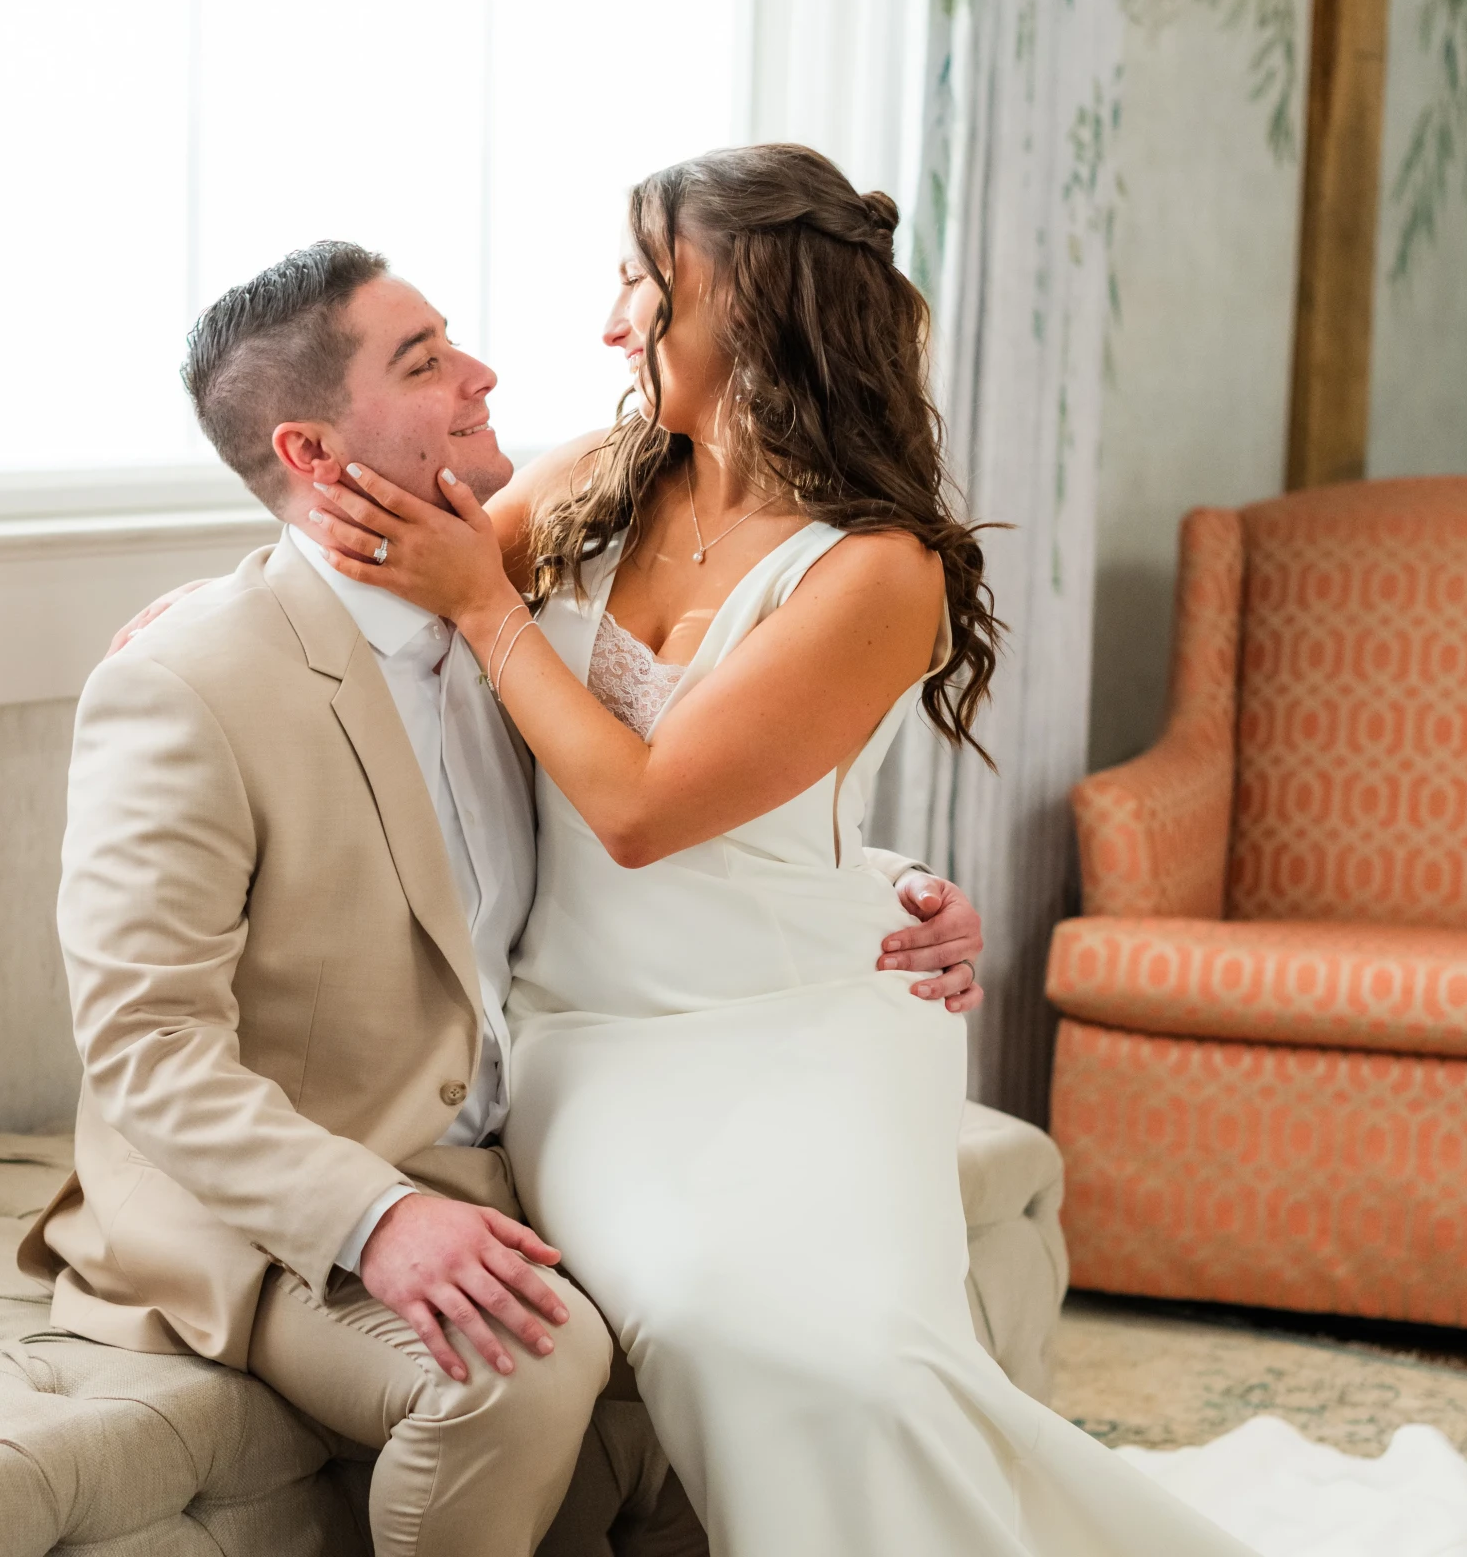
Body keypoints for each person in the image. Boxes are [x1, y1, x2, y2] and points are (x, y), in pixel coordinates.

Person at [299, 143, 1253, 1556]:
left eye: (638, 281)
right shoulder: (590, 481)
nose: (611, 320)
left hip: (807, 1024)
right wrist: (211, 627)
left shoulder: (877, 568)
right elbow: (350, 575)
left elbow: (642, 809)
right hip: (603, 1037)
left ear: (739, 307)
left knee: (865, 1360)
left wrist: (494, 614)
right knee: (697, 1311)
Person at [21, 234, 985, 1557]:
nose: (487, 372)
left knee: (794, 1324)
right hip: (280, 1198)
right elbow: (145, 1048)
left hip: (526, 1128)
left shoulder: (509, 613)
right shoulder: (187, 686)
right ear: (313, 455)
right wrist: (378, 1219)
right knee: (525, 1366)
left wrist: (892, 889)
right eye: (426, 361)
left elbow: (643, 815)